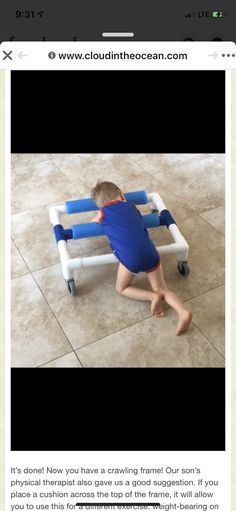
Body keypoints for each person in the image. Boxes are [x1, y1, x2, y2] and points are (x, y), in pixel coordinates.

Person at [90, 181, 192, 335]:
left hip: (131, 258)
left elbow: (93, 224)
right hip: (150, 252)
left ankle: (152, 297)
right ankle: (183, 311)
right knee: (163, 288)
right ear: (121, 194)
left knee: (121, 288)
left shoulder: (103, 212)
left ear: (100, 205)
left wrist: (99, 216)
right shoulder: (131, 206)